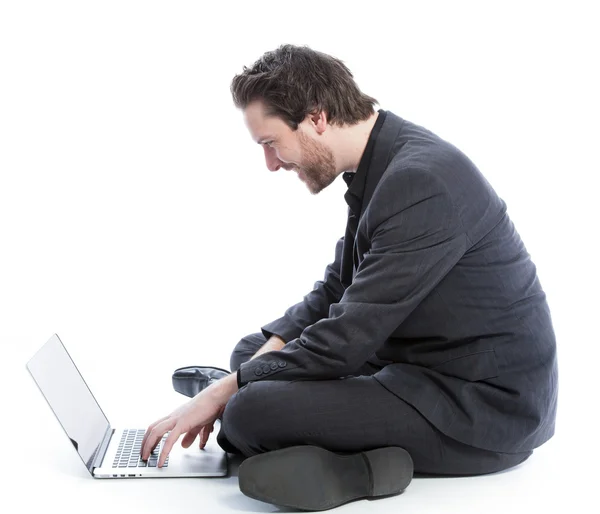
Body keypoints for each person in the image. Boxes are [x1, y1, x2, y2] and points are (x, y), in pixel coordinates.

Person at [140, 44, 558, 511]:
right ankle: (247, 402)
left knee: (250, 412)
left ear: (316, 117)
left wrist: (228, 389)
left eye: (271, 143)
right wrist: (245, 373)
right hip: (415, 363)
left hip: (478, 406)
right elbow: (337, 291)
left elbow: (346, 338)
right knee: (251, 352)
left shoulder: (421, 181)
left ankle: (363, 468)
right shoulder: (381, 165)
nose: (272, 164)